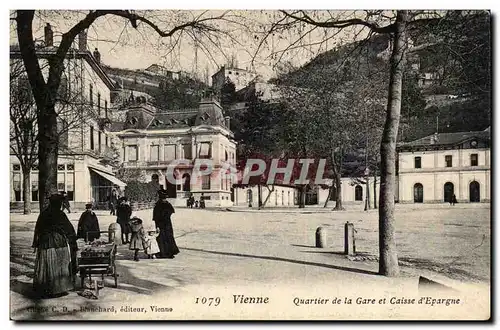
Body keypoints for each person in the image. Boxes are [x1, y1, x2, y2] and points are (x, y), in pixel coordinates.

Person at [32, 193, 77, 298]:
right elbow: (68, 227)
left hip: (45, 242)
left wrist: (37, 242)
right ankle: (58, 288)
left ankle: (44, 288)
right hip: (58, 242)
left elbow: (38, 228)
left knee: (47, 263)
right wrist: (73, 237)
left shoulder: (44, 213)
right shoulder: (60, 214)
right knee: (59, 263)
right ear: (58, 203)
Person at [153, 189, 179, 259]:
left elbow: (157, 216)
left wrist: (158, 224)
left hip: (164, 223)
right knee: (164, 237)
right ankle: (166, 253)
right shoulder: (163, 204)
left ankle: (166, 252)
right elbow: (170, 212)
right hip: (164, 223)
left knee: (165, 237)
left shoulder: (161, 204)